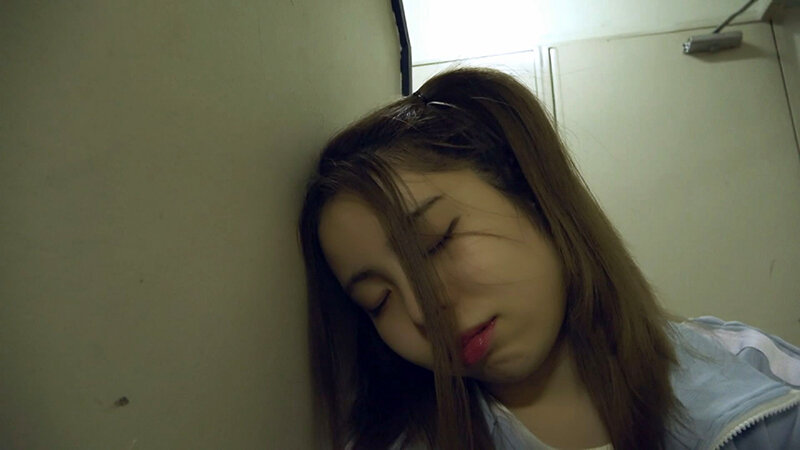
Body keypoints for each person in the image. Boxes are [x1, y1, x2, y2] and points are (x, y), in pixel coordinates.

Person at [297, 67, 800, 450]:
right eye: (378, 299)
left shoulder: (754, 370)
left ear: (534, 198)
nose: (421, 310)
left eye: (436, 242)